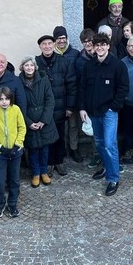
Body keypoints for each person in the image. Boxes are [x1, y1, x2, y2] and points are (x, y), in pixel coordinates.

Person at [78, 33, 129, 197]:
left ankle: (113, 178)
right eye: (97, 45)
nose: (100, 47)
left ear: (108, 46)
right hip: (92, 112)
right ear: (94, 47)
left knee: (109, 144)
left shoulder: (117, 65)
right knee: (99, 143)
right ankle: (107, 166)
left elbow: (123, 88)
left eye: (103, 45)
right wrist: (82, 108)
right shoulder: (89, 65)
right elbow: (82, 88)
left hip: (109, 113)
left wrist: (113, 107)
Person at [36, 34, 77, 176]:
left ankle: (59, 161)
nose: (47, 46)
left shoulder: (64, 61)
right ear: (40, 47)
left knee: (60, 135)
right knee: (46, 136)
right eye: (44, 44)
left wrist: (70, 107)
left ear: (53, 45)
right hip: (43, 108)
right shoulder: (35, 63)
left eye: (49, 43)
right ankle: (49, 163)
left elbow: (71, 84)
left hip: (60, 106)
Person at [0, 86, 26, 218]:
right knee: (0, 181)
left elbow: (22, 128)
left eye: (7, 99)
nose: (4, 102)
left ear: (10, 99)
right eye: (1, 99)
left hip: (15, 152)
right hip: (0, 154)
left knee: (14, 180)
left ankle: (12, 204)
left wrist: (17, 145)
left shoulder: (16, 110)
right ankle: (0, 203)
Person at [19, 55, 58, 188]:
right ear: (22, 67)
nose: (29, 68)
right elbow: (19, 105)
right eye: (26, 65)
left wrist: (43, 120)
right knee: (33, 149)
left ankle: (44, 171)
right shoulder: (19, 82)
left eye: (31, 65)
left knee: (45, 148)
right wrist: (28, 122)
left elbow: (50, 100)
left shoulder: (43, 79)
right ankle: (35, 173)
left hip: (44, 120)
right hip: (28, 119)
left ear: (35, 67)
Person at [53, 25, 84, 163]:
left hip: (72, 95)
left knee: (73, 125)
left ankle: (74, 148)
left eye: (63, 38)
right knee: (60, 127)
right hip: (57, 98)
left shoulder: (75, 53)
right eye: (58, 38)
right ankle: (62, 150)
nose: (61, 41)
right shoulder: (51, 55)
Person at [76, 28, 102, 170]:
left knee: (108, 131)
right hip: (89, 100)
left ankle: (108, 157)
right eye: (84, 42)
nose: (87, 44)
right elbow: (80, 85)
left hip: (104, 100)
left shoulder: (102, 54)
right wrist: (82, 106)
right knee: (93, 131)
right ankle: (96, 155)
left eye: (89, 41)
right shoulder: (80, 61)